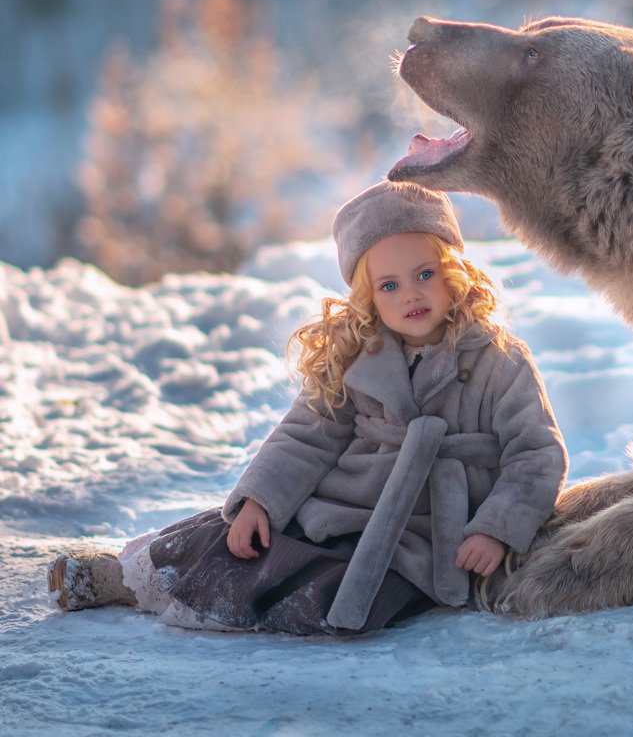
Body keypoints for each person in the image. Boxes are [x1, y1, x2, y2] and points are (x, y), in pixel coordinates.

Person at [48, 181, 568, 635]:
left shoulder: (499, 360)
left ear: (455, 271)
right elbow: (306, 435)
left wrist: (496, 528)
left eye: (424, 274)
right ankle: (116, 580)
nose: (411, 294)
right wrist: (261, 501)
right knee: (240, 542)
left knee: (334, 597)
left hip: (424, 533)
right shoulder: (357, 356)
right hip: (341, 507)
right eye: (389, 285)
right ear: (368, 297)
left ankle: (220, 600)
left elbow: (536, 453)